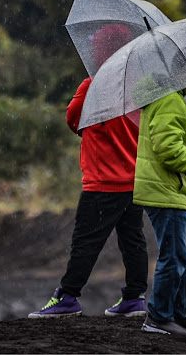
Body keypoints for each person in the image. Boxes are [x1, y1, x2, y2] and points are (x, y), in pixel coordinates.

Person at [29, 25, 148, 319]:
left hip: (102, 183)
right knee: (133, 240)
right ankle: (135, 297)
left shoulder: (93, 84)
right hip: (134, 180)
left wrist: (95, 131)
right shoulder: (138, 85)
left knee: (85, 241)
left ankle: (67, 297)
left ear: (103, 51)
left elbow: (72, 119)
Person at [133, 81, 186, 336]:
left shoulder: (173, 98)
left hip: (170, 190)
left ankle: (183, 314)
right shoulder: (169, 99)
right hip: (164, 191)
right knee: (174, 255)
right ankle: (158, 318)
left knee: (185, 252)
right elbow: (168, 150)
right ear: (182, 74)